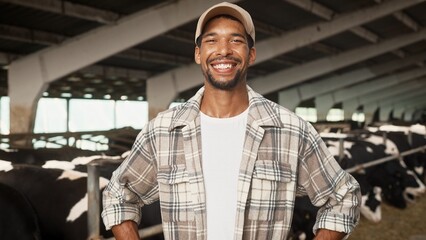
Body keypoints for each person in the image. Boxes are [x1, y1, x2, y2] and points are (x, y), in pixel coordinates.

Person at [102, 2, 361, 240]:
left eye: (236, 41)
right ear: (198, 54)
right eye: (211, 40)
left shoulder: (291, 130)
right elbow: (117, 196)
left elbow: (344, 196)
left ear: (251, 55)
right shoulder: (162, 131)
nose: (223, 50)